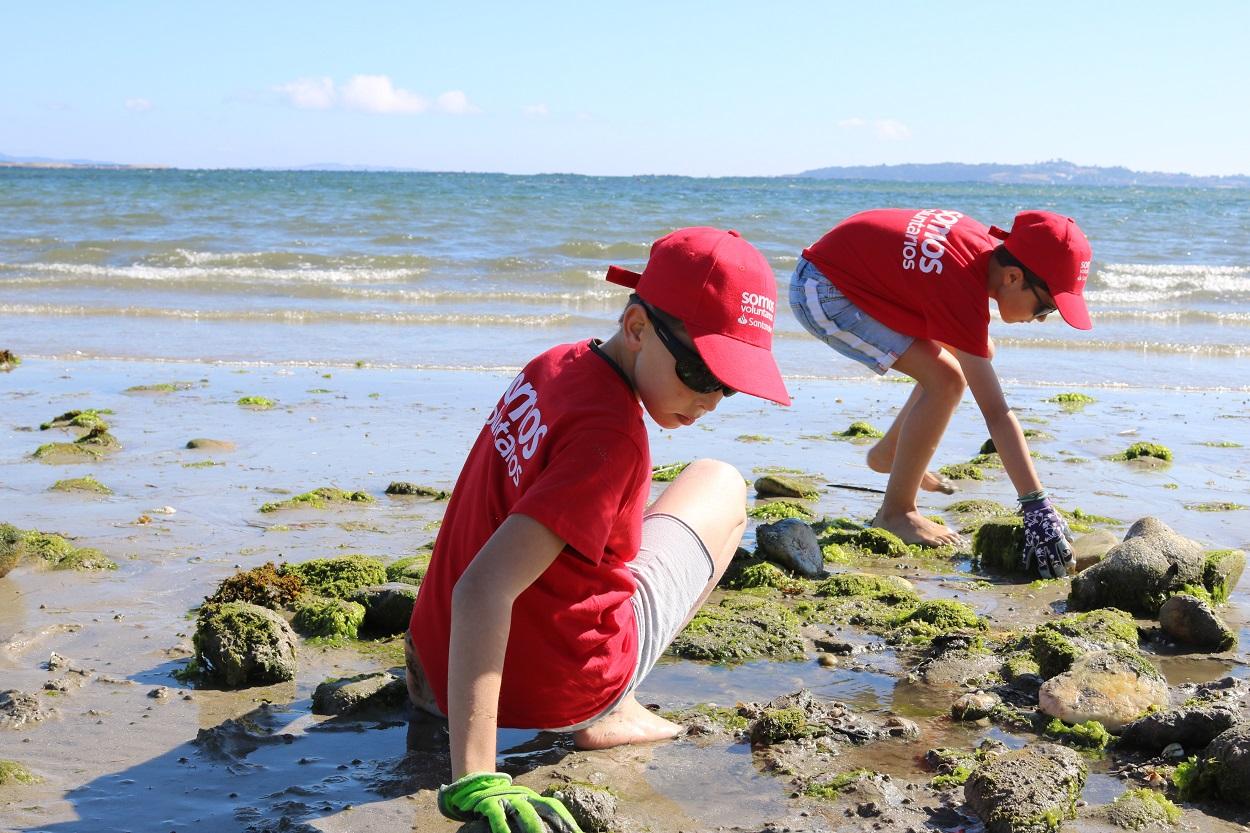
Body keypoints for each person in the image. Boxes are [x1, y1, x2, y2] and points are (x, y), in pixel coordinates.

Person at [407, 227, 791, 833]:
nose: (712, 398)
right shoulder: (612, 439)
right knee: (719, 482)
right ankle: (610, 709)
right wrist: (476, 778)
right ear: (637, 328)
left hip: (433, 669)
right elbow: (482, 590)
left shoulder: (553, 364)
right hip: (554, 696)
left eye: (731, 382)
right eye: (699, 370)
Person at [790, 208, 1092, 576]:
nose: (1044, 318)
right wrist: (1036, 504)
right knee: (946, 380)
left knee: (975, 356)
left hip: (857, 277)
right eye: (1048, 305)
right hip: (824, 292)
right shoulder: (960, 285)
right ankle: (896, 512)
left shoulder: (977, 252)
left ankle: (890, 453)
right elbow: (996, 413)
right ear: (1013, 277)